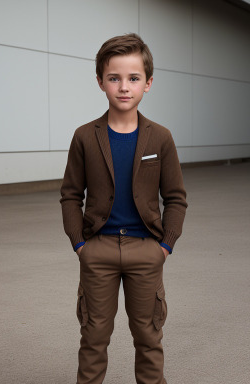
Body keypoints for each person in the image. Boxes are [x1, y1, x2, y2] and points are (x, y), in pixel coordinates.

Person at [60, 33, 187, 384]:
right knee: (93, 337)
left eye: (133, 78)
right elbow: (71, 194)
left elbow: (175, 197)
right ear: (100, 80)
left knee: (148, 337)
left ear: (148, 83)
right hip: (97, 249)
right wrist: (80, 245)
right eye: (114, 78)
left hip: (146, 250)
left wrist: (165, 247)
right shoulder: (85, 136)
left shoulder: (160, 138)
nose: (124, 87)